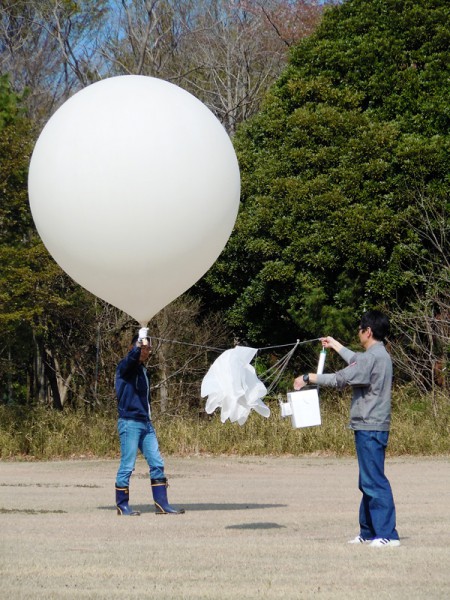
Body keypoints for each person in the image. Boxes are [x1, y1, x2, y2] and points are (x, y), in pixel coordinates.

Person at [293, 310, 400, 547]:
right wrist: (335, 345)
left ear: (368, 331)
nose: (358, 331)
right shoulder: (376, 355)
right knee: (367, 481)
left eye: (360, 327)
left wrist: (308, 377)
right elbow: (356, 360)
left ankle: (388, 535)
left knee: (374, 481)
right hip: (370, 426)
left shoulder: (372, 358)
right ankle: (369, 532)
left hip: (370, 427)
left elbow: (341, 378)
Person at [114, 327, 185, 516]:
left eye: (148, 348)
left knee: (157, 461)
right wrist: (140, 342)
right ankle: (122, 506)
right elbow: (131, 359)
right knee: (128, 465)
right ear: (135, 347)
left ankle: (162, 505)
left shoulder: (143, 370)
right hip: (129, 422)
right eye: (145, 348)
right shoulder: (125, 367)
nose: (148, 351)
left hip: (145, 422)